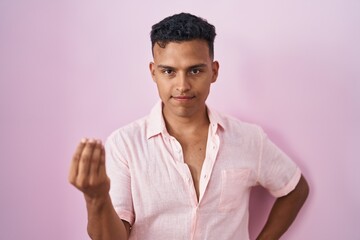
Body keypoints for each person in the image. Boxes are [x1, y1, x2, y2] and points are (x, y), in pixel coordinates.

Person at [68, 12, 309, 240]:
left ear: (213, 71)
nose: (182, 85)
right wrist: (96, 197)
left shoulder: (248, 138)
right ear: (154, 72)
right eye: (169, 71)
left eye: (195, 70)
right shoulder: (125, 144)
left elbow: (295, 189)